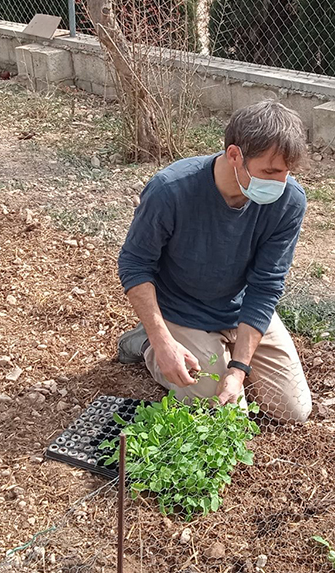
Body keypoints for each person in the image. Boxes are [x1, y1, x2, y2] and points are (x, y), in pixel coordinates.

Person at [116, 100, 312, 423]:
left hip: (239, 308)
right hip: (183, 309)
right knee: (222, 414)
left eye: (286, 173)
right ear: (234, 155)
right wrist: (163, 342)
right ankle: (148, 343)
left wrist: (238, 369)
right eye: (269, 172)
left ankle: (223, 352)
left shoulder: (288, 201)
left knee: (293, 410)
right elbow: (135, 264)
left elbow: (266, 286)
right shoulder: (170, 190)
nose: (279, 184)